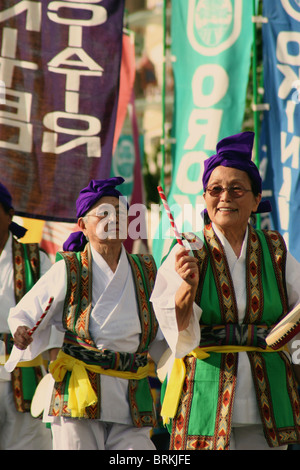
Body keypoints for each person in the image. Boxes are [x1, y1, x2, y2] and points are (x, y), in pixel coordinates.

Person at [151, 132, 300, 451]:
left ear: (256, 199)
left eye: (236, 189)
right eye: (215, 189)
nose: (225, 197)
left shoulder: (274, 249)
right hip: (205, 390)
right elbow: (170, 330)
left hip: (268, 394)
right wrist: (185, 293)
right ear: (204, 198)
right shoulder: (187, 249)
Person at [8, 177, 167, 451]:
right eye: (103, 214)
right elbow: (25, 313)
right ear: (83, 224)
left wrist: (177, 364)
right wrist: (21, 330)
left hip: (132, 392)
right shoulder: (68, 269)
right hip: (79, 394)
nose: (113, 219)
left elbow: (163, 333)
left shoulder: (147, 270)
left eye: (119, 213)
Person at [0, 182, 62, 450]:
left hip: (25, 379)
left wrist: (56, 374)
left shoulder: (35, 260)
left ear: (9, 213)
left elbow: (56, 315)